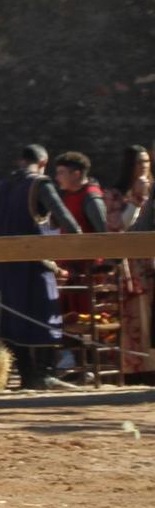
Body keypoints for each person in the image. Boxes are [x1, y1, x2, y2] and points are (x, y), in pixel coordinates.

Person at [0, 144, 81, 390]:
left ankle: (28, 376)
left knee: (13, 322)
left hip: (4, 268)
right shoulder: (40, 185)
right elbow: (69, 225)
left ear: (21, 161)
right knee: (43, 319)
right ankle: (42, 374)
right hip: (35, 267)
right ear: (43, 163)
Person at [104, 145, 152, 380]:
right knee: (136, 316)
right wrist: (137, 200)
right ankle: (138, 370)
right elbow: (119, 226)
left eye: (146, 161)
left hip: (152, 258)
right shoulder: (115, 194)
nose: (144, 166)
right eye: (138, 162)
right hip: (133, 263)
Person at [52, 151, 107, 350]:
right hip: (70, 268)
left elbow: (102, 233)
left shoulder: (91, 197)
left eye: (61, 172)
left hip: (86, 269)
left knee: (85, 317)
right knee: (67, 316)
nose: (57, 177)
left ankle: (90, 359)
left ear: (76, 174)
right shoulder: (67, 196)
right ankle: (73, 357)